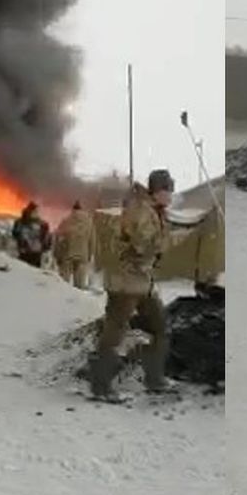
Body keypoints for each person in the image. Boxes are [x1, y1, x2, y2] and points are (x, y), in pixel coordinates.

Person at [89, 169, 176, 401]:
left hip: (141, 283)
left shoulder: (155, 211)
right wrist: (162, 243)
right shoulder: (140, 211)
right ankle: (101, 387)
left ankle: (154, 379)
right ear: (157, 191)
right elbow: (141, 246)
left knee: (160, 328)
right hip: (124, 282)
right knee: (114, 333)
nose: (170, 195)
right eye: (167, 190)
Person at [54, 201, 95, 289]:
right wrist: (89, 255)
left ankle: (62, 299)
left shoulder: (66, 220)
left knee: (63, 283)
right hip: (82, 255)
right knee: (80, 285)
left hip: (67, 254)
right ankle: (78, 300)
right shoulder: (89, 223)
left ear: (73, 209)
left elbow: (58, 239)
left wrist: (57, 255)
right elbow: (92, 240)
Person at [11, 202, 51, 268]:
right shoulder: (42, 224)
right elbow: (15, 234)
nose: (36, 213)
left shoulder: (43, 224)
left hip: (31, 252)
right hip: (29, 252)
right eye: (35, 211)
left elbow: (46, 238)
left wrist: (46, 247)